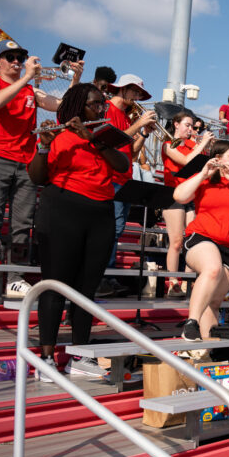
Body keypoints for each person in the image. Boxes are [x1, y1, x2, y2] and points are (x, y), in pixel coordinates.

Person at [27, 84, 131, 379]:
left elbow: (123, 166)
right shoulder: (59, 134)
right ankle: (46, 358)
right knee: (56, 284)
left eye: (102, 104)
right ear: (78, 105)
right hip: (62, 208)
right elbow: (37, 175)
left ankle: (79, 354)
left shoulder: (106, 134)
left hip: (100, 212)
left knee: (87, 288)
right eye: (95, 104)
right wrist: (44, 147)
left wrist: (95, 140)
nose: (101, 109)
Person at [0, 39, 81, 299]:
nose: (16, 63)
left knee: (22, 223)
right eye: (10, 58)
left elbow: (65, 108)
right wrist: (27, 79)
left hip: (26, 161)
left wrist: (74, 81)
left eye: (20, 58)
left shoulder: (31, 91)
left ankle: (15, 277)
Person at [172, 140, 229, 340]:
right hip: (203, 237)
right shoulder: (205, 176)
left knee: (213, 302)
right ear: (218, 158)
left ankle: (206, 350)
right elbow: (179, 196)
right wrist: (203, 173)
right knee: (212, 268)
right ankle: (191, 322)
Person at [100, 74, 157, 297]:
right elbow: (111, 140)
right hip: (109, 178)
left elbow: (131, 153)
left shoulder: (125, 116)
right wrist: (138, 124)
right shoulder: (106, 109)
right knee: (110, 231)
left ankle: (109, 275)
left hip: (124, 178)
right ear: (122, 89)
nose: (137, 97)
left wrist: (143, 133)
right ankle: (105, 275)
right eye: (134, 92)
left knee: (117, 230)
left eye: (139, 94)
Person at [162, 111, 214, 297]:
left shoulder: (193, 145)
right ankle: (173, 282)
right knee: (176, 241)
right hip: (173, 194)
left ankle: (188, 282)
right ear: (176, 124)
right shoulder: (168, 144)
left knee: (191, 241)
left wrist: (207, 147)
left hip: (191, 195)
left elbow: (202, 161)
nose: (191, 129)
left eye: (193, 126)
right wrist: (202, 144)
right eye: (188, 125)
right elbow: (185, 161)